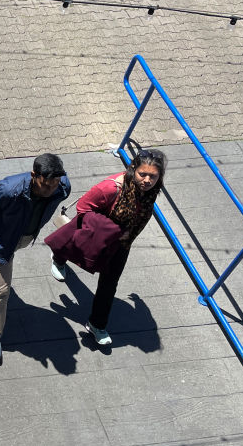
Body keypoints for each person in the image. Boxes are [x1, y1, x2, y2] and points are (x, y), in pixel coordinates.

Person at [49, 149, 167, 347]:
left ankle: (97, 324)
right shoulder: (111, 188)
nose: (147, 180)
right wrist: (110, 230)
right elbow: (84, 207)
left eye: (153, 176)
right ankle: (58, 258)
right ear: (132, 169)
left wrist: (139, 302)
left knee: (109, 284)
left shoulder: (151, 190)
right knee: (71, 247)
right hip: (100, 234)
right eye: (142, 174)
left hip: (122, 244)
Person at [0, 154, 70, 362]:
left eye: (54, 185)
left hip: (25, 237)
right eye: (45, 185)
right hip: (2, 239)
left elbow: (60, 191)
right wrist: (3, 222)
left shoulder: (62, 186)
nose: (50, 190)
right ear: (33, 175)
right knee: (1, 290)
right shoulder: (10, 190)